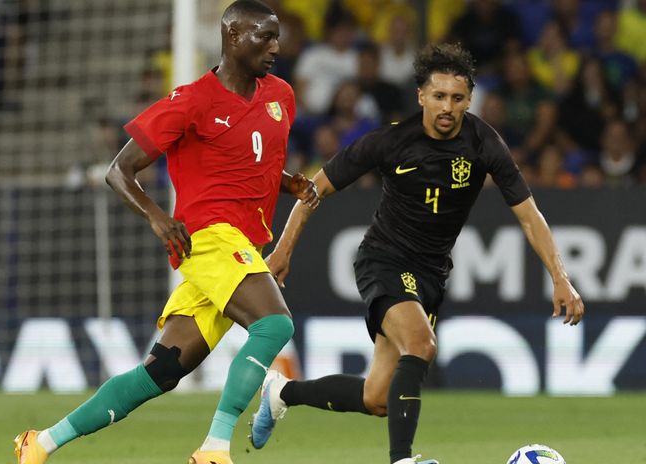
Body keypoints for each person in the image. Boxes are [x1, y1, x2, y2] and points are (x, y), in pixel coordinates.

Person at [12, 2, 318, 464]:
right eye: (264, 37)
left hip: (245, 244)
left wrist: (287, 180)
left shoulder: (280, 95)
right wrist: (158, 217)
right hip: (209, 238)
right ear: (233, 37)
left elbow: (247, 160)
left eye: (277, 38)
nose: (275, 47)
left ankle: (41, 443)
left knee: (164, 371)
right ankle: (215, 447)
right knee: (274, 323)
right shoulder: (192, 100)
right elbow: (120, 170)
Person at [249, 43, 585, 464]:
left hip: (430, 275)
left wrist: (560, 275)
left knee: (378, 399)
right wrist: (282, 251)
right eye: (439, 96)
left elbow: (529, 216)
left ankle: (282, 391)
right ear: (421, 96)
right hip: (384, 261)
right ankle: (402, 460)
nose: (448, 107)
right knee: (422, 344)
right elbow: (312, 190)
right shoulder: (390, 141)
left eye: (458, 98)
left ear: (469, 100)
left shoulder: (483, 143)